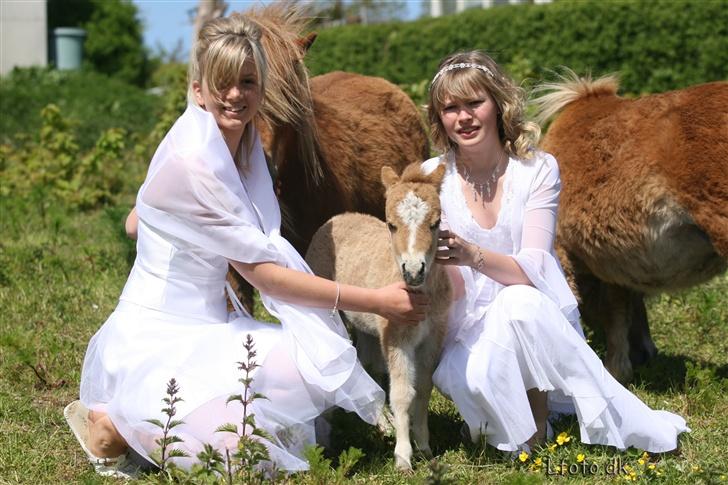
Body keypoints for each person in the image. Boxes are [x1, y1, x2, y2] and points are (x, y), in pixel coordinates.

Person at [65, 12, 428, 476]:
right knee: (242, 459)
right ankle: (117, 424)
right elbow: (263, 275)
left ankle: (158, 417)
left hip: (215, 322)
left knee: (307, 377)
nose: (236, 94)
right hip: (161, 339)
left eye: (248, 82)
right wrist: (375, 300)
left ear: (262, 87)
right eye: (222, 83)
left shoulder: (241, 142)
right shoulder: (196, 161)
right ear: (198, 89)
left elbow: (135, 222)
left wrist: (178, 238)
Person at [422, 50, 688, 454]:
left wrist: (470, 253)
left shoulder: (537, 169)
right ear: (439, 118)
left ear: (497, 103)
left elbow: (534, 268)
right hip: (464, 324)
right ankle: (492, 409)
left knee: (520, 301)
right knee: (476, 388)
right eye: (450, 108)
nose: (464, 117)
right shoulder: (429, 176)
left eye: (475, 102)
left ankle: (538, 416)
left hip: (535, 317)